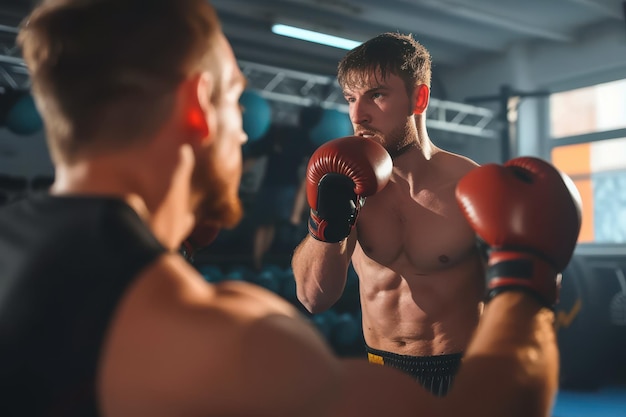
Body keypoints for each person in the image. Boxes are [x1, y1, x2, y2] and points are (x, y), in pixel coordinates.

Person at [0, 1, 581, 416]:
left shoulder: (25, 254)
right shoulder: (224, 336)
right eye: (237, 99)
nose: (248, 130)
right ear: (201, 104)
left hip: (457, 357)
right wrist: (528, 277)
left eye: (374, 96)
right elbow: (491, 406)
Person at [292, 32, 484, 396]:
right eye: (350, 98)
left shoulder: (472, 188)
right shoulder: (346, 184)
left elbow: (526, 304)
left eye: (376, 95)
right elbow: (313, 298)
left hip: (463, 378)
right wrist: (326, 224)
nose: (357, 114)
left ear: (419, 97)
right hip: (381, 376)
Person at [244, 106, 321, 270]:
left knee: (264, 225)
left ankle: (257, 262)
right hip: (285, 188)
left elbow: (254, 156)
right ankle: (258, 262)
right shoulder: (305, 140)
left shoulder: (280, 133)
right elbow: (307, 178)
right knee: (268, 225)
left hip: (271, 185)